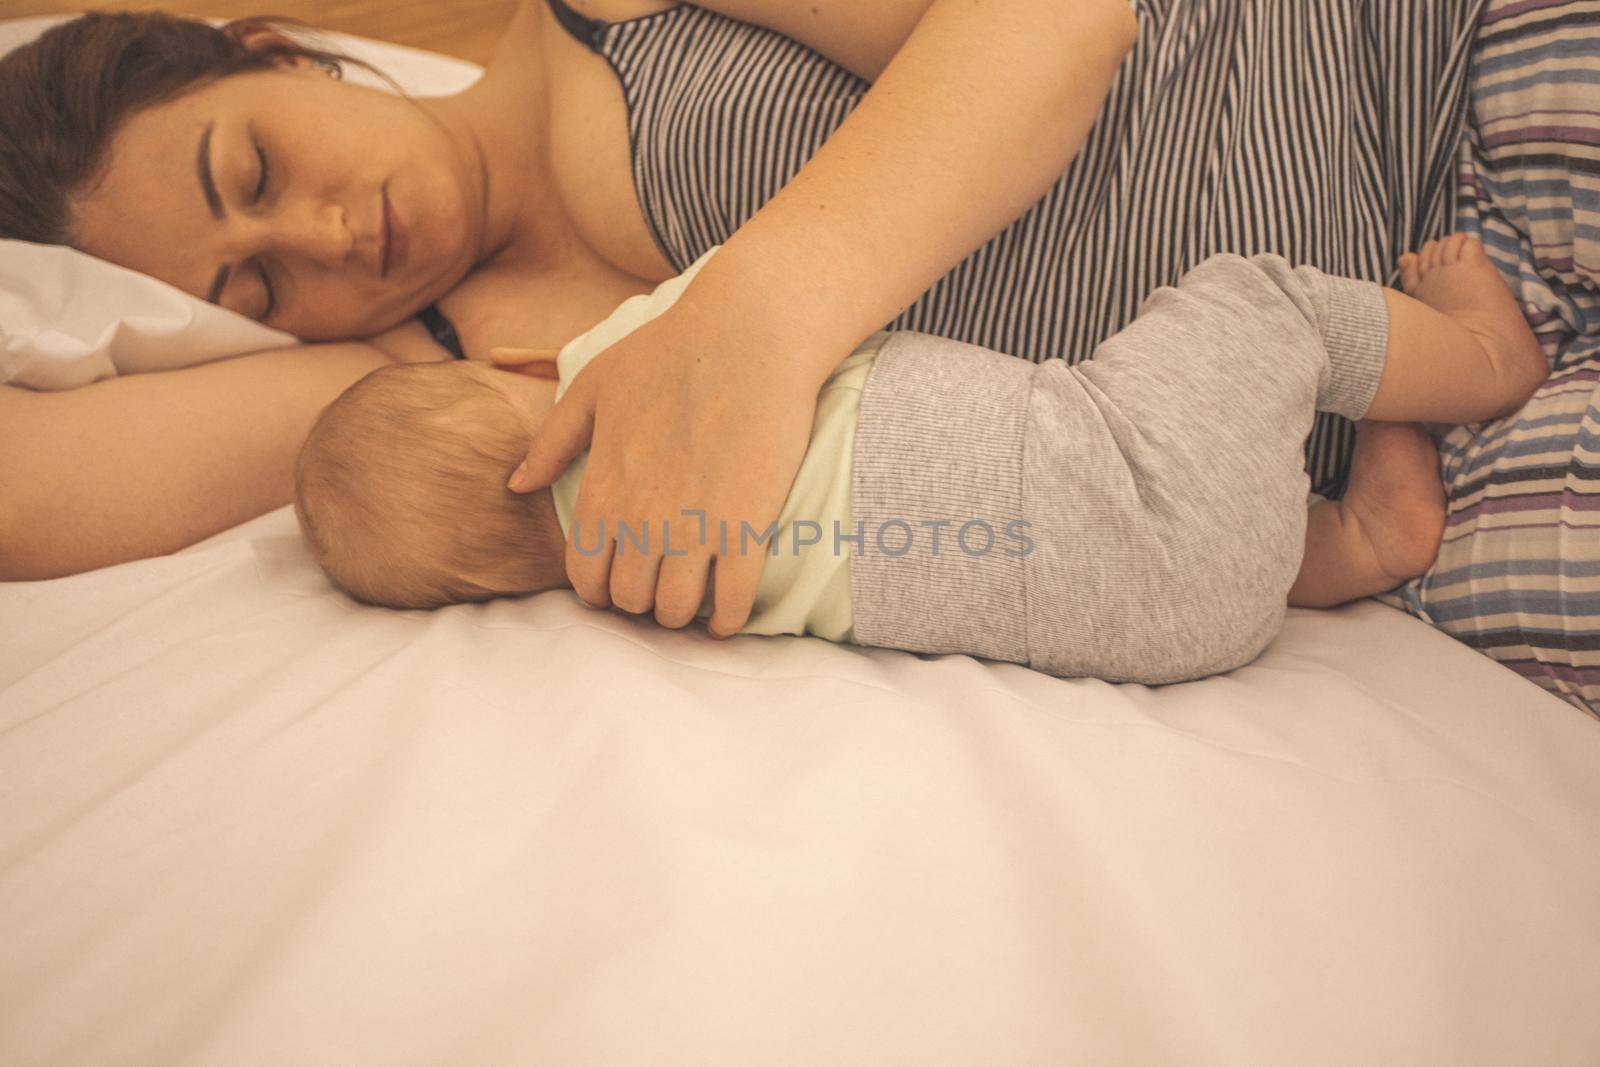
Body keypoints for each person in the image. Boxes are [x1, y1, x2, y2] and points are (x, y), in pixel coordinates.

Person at [0, 0, 1485, 640]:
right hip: (1382, 377)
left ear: (282, 59)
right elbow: (32, 491)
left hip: (1408, 69)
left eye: (255, 168)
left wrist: (766, 319)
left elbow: (1056, 18)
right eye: (253, 288)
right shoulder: (446, 388)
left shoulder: (610, 15)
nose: (324, 237)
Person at [293, 234, 1545, 682]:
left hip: (1177, 629)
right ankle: (1485, 356)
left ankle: (1363, 538)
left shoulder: (648, 593)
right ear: (517, 377)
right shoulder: (631, 365)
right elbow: (770, 294)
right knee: (1252, 297)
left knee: (1094, 543)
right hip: (1138, 483)